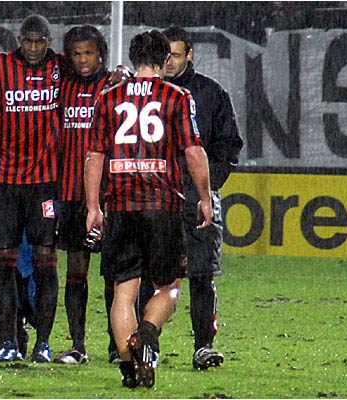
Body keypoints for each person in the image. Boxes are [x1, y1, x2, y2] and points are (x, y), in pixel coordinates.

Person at [84, 30, 213, 388]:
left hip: (121, 205)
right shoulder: (176, 96)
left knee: (123, 292)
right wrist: (204, 197)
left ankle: (129, 369)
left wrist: (94, 206)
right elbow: (193, 152)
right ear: (165, 59)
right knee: (169, 288)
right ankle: (147, 332)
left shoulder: (108, 98)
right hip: (163, 206)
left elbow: (94, 156)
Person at [0, 14, 62, 363]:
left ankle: (43, 342)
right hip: (6, 181)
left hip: (45, 183)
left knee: (45, 262)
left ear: (49, 41)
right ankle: (7, 339)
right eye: (28, 41)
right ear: (19, 40)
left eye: (40, 42)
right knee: (3, 262)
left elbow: (90, 82)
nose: (34, 48)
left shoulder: (60, 67)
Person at [162, 25, 243, 370]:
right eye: (163, 55)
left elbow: (229, 145)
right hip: (157, 195)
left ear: (189, 55)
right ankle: (138, 343)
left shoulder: (210, 93)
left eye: (175, 55)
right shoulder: (149, 94)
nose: (168, 61)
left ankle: (203, 346)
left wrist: (206, 185)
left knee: (200, 273)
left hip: (197, 197)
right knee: (150, 272)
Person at [53, 25, 112, 365]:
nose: (83, 59)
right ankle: (78, 345)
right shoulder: (63, 86)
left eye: (88, 52)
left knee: (114, 273)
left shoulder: (114, 87)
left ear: (100, 53)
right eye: (76, 53)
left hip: (108, 196)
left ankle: (116, 345)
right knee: (76, 271)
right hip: (70, 193)